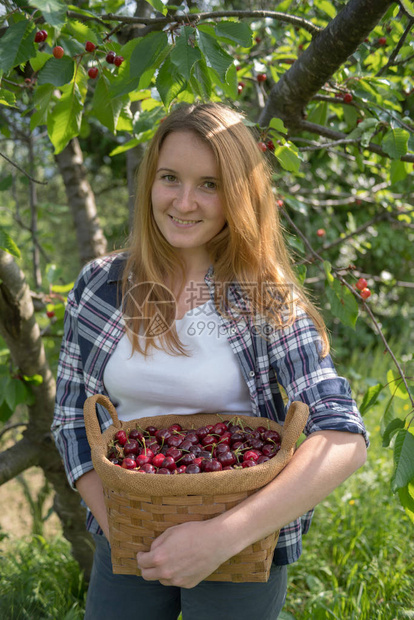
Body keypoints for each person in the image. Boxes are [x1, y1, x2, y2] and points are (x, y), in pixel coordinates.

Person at [52, 102, 368, 620]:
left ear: (238, 195)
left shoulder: (266, 299)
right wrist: (125, 532)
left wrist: (221, 537)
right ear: (149, 181)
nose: (184, 202)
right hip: (126, 530)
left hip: (240, 542)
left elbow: (343, 438)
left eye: (210, 184)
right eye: (170, 178)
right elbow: (70, 419)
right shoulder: (102, 286)